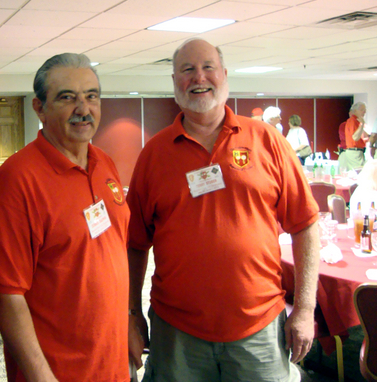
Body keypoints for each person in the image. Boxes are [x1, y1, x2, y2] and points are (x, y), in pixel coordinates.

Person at [127, 38, 320, 382]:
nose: (198, 77)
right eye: (187, 70)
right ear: (174, 82)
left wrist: (304, 309)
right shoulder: (154, 155)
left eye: (207, 68)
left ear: (224, 76)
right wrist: (130, 312)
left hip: (259, 328)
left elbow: (305, 224)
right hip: (177, 333)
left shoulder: (268, 141)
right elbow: (134, 244)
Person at [0, 53, 130, 382]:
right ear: (39, 108)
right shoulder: (16, 182)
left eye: (91, 96)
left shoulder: (103, 163)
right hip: (57, 371)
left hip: (112, 363)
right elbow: (6, 294)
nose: (83, 109)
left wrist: (129, 326)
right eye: (67, 98)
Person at [344, 101, 368, 170]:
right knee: (358, 173)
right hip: (354, 151)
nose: (364, 112)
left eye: (365, 110)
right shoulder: (353, 121)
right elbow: (355, 137)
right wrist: (362, 124)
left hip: (358, 151)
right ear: (355, 111)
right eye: (362, 110)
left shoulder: (357, 121)